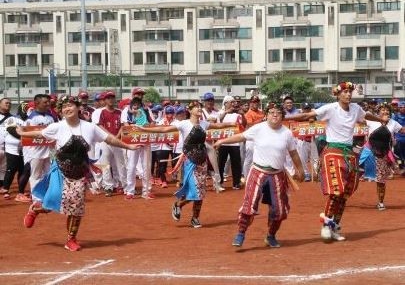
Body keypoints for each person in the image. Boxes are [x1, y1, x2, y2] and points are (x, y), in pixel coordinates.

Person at [18, 95, 141, 251]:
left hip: (79, 174)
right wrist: (21, 132)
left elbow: (109, 139)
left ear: (77, 107)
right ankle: (35, 209)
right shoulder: (58, 126)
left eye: (70, 105)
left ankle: (71, 239)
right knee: (52, 203)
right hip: (60, 171)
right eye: (63, 107)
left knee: (75, 208)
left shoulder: (90, 127)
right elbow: (39, 134)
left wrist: (128, 147)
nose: (67, 109)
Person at [284, 82, 389, 242]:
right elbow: (307, 116)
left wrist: (380, 119)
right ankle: (326, 224)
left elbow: (366, 115)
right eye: (345, 92)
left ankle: (334, 226)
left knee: (345, 194)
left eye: (350, 92)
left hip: (349, 153)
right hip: (333, 151)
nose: (348, 95)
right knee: (336, 190)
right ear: (338, 94)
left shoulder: (355, 109)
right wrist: (283, 117)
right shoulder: (330, 108)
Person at [213, 104, 304, 247]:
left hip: (277, 174)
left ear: (282, 116)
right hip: (258, 172)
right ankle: (241, 233)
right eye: (272, 112)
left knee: (279, 210)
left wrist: (301, 170)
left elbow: (293, 153)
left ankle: (271, 236)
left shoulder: (286, 133)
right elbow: (241, 136)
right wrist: (222, 141)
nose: (275, 115)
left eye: (278, 113)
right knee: (249, 206)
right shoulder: (258, 128)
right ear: (266, 115)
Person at [136, 101, 234, 228]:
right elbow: (164, 129)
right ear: (190, 110)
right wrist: (144, 129)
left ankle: (193, 217)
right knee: (195, 190)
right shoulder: (183, 124)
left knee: (200, 192)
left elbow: (218, 126)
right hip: (190, 161)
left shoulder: (204, 124)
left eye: (200, 107)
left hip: (202, 161)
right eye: (196, 107)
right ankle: (180, 206)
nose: (199, 109)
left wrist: (232, 124)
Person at [360, 103, 405, 210]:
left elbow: (403, 130)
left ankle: (380, 202)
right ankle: (343, 195)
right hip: (368, 153)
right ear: (378, 112)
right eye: (383, 110)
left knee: (381, 181)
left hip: (383, 154)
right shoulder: (371, 120)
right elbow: (358, 118)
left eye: (387, 110)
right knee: (355, 173)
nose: (386, 112)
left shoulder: (394, 123)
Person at [393, 101, 405, 176]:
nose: (403, 108)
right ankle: (401, 167)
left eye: (404, 107)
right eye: (401, 107)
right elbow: (393, 127)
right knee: (398, 155)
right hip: (398, 138)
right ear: (398, 108)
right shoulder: (395, 116)